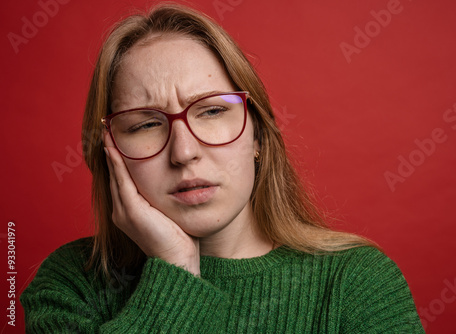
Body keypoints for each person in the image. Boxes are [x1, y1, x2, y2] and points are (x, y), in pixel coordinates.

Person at [21, 3, 424, 333]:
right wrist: (176, 269)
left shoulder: (356, 281)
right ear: (110, 154)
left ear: (259, 138)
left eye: (212, 111)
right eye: (145, 123)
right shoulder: (71, 284)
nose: (183, 152)